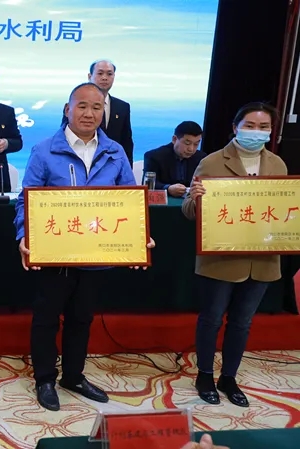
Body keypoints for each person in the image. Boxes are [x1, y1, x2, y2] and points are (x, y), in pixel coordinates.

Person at [14, 82, 155, 412]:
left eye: (97, 107)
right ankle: (45, 379)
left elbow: (129, 201)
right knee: (47, 318)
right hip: (55, 255)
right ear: (68, 109)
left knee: (82, 318)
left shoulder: (115, 151)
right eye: (82, 106)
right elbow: (26, 200)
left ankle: (74, 376)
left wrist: (140, 236)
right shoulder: (45, 150)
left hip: (95, 253)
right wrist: (24, 235)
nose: (89, 113)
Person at [182, 102, 285, 408]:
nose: (256, 132)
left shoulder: (278, 165)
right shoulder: (212, 161)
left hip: (262, 257)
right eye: (250, 126)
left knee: (242, 322)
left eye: (263, 127)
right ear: (235, 127)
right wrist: (195, 199)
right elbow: (188, 210)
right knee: (212, 318)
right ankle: (204, 375)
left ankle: (229, 377)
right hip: (221, 257)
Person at [142, 121, 205, 196]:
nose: (191, 149)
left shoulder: (202, 158)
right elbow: (148, 184)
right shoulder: (154, 156)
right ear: (174, 139)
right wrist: (168, 188)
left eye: (196, 144)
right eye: (187, 143)